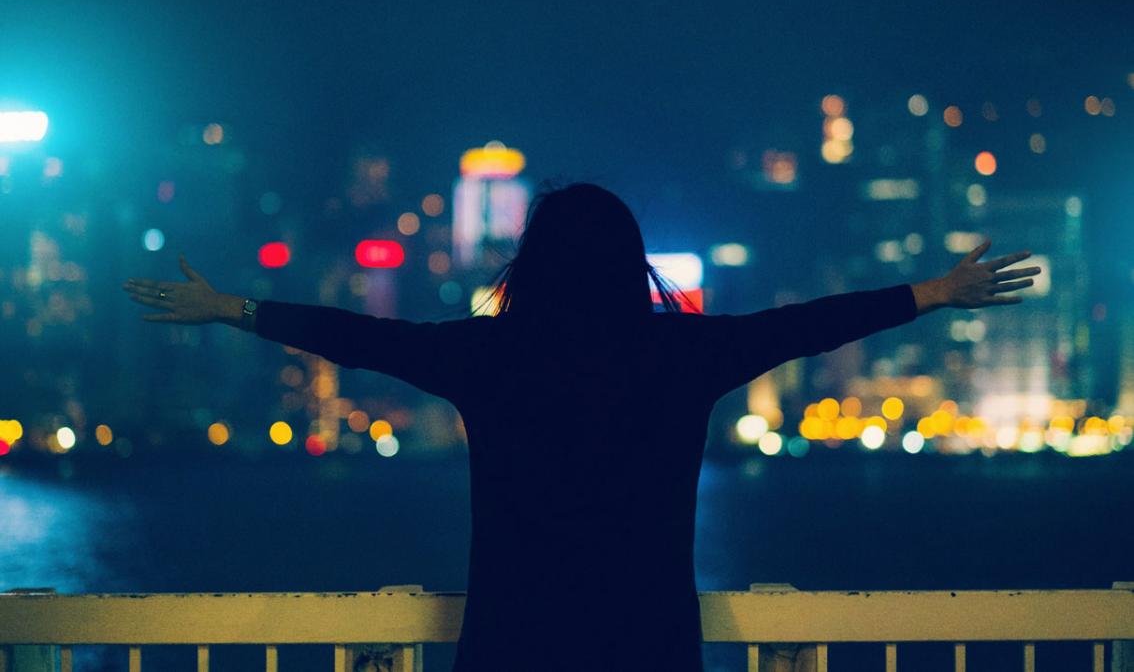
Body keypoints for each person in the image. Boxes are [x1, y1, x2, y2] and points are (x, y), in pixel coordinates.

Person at [122, 182, 1041, 671]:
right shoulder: (685, 353)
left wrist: (230, 307)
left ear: (534, 262)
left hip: (513, 645)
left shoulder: (485, 355)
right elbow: (809, 325)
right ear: (632, 264)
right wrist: (936, 292)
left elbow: (357, 337)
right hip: (646, 646)